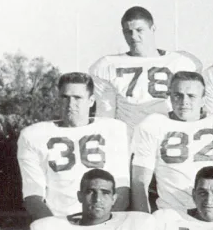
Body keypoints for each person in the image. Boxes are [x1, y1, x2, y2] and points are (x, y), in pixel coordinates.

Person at [17, 72, 132, 220]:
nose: (70, 104)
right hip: (59, 220)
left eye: (77, 98)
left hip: (103, 222)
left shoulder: (114, 130)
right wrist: (55, 228)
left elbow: (122, 190)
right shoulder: (33, 135)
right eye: (65, 97)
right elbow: (33, 195)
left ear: (91, 101)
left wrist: (104, 225)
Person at [130, 71, 213, 213]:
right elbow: (140, 182)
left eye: (191, 96)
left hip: (211, 213)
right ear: (169, 97)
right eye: (178, 95)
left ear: (203, 100)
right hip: (170, 213)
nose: (184, 101)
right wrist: (143, 220)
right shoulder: (152, 124)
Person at [90, 6, 202, 126]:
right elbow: (106, 114)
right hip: (131, 136)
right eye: (128, 31)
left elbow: (193, 109)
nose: (133, 36)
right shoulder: (107, 65)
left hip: (169, 134)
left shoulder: (181, 62)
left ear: (152, 29)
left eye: (139, 30)